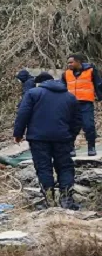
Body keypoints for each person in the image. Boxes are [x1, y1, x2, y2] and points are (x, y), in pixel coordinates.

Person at [14, 72, 82, 209]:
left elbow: (23, 113)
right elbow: (77, 120)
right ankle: (67, 199)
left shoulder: (33, 93)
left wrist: (18, 134)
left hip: (38, 138)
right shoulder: (70, 96)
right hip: (62, 138)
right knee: (65, 167)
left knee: (43, 167)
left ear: (39, 83)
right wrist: (70, 136)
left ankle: (49, 200)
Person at [61, 54, 102, 156]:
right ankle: (71, 148)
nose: (69, 64)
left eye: (71, 62)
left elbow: (98, 85)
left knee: (89, 126)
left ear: (78, 62)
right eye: (68, 63)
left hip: (86, 103)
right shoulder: (66, 74)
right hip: (71, 104)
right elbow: (62, 88)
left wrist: (100, 97)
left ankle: (91, 147)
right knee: (71, 126)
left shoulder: (91, 71)